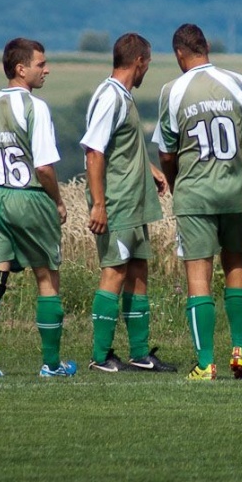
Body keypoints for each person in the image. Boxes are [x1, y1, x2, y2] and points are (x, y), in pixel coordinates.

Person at [152, 23, 242, 381]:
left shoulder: (173, 91)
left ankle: (206, 362)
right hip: (236, 192)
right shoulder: (239, 82)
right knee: (236, 263)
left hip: (196, 193)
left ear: (179, 54)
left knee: (198, 274)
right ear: (206, 47)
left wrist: (175, 185)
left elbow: (167, 153)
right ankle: (240, 351)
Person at [0, 37, 77, 378]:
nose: (46, 69)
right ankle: (51, 365)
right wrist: (58, 202)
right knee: (46, 278)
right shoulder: (36, 106)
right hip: (28, 196)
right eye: (40, 64)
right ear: (21, 69)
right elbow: (44, 167)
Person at [80, 33, 176, 373]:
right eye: (147, 64)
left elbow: (121, 144)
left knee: (137, 273)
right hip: (117, 202)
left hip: (135, 203)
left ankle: (139, 354)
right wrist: (99, 204)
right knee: (114, 273)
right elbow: (94, 151)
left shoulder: (123, 97)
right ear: (139, 62)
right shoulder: (111, 97)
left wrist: (148, 168)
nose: (147, 69)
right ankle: (100, 356)